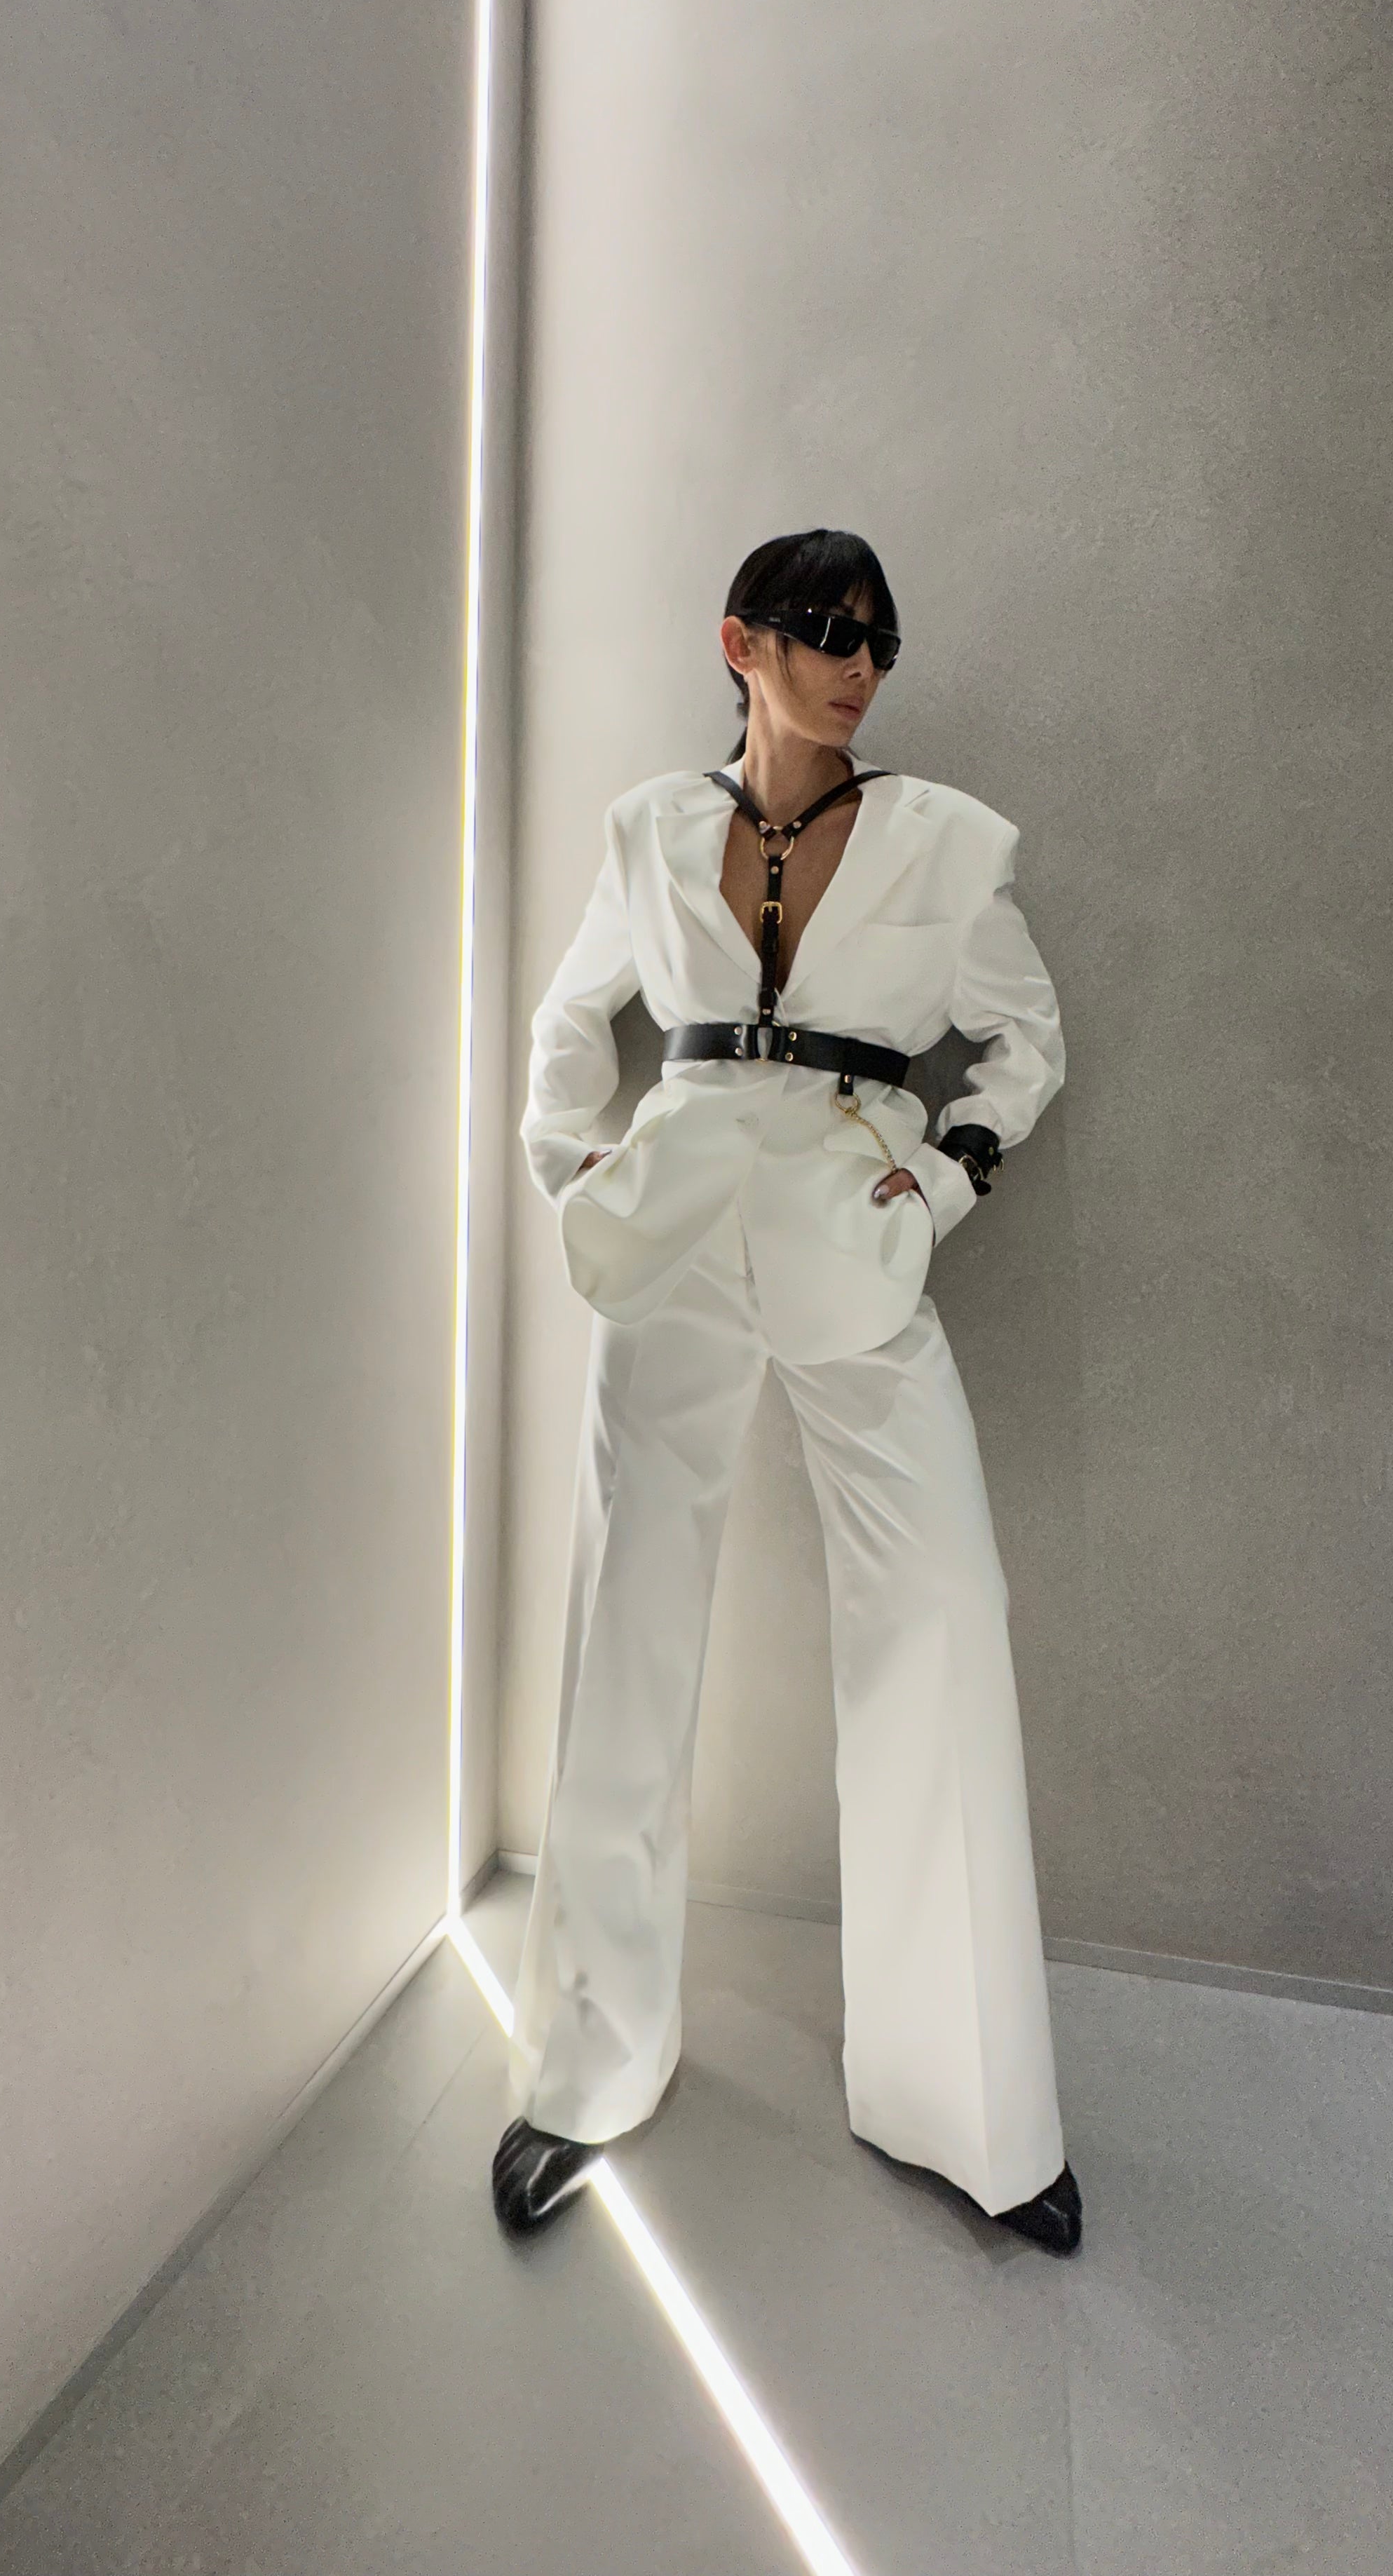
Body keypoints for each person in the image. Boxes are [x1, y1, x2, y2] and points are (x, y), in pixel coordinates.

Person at [492, 527, 1080, 2256]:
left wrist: (948, 1174)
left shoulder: (946, 841)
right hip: (675, 1231)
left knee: (940, 1614)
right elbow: (569, 1022)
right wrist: (575, 1169)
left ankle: (971, 2111)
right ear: (740, 643)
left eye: (881, 639)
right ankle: (586, 2071)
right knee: (626, 1625)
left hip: (850, 1237)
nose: (859, 665)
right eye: (827, 630)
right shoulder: (646, 829)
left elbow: (1027, 1039)